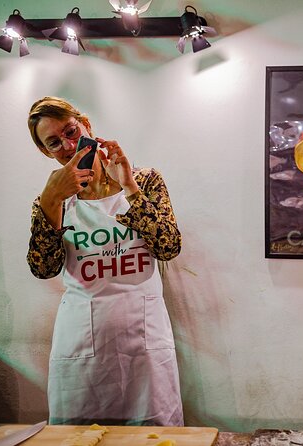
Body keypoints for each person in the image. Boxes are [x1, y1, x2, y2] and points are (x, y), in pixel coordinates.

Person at [26, 97, 184, 426]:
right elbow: (43, 268)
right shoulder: (51, 197)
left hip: (143, 334)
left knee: (153, 431)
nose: (68, 146)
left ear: (86, 125)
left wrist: (129, 186)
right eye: (54, 143)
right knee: (76, 434)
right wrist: (52, 200)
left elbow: (168, 247)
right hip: (82, 336)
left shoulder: (145, 180)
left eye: (71, 131)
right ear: (46, 152)